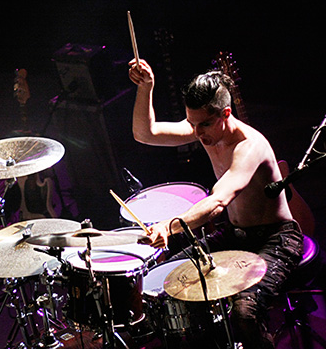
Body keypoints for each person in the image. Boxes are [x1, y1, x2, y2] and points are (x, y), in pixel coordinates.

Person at [129, 59, 304, 348]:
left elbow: (219, 201)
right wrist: (145, 88)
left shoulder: (249, 146)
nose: (197, 133)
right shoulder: (206, 129)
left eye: (204, 125)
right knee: (164, 283)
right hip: (237, 236)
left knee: (244, 314)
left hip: (277, 238)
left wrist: (168, 227)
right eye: (192, 124)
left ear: (226, 113)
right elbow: (144, 134)